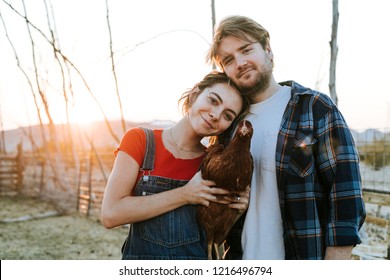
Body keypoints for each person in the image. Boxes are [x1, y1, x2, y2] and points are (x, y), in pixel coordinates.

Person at [207, 15, 366, 260]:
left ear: (268, 50)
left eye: (246, 50)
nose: (240, 62)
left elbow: (345, 194)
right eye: (228, 60)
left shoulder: (314, 108)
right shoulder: (229, 126)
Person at [100, 71, 250, 260]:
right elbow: (111, 214)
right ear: (195, 94)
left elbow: (213, 238)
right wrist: (185, 195)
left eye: (227, 116)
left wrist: (236, 210)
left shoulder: (211, 165)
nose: (215, 115)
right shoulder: (140, 141)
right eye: (213, 101)